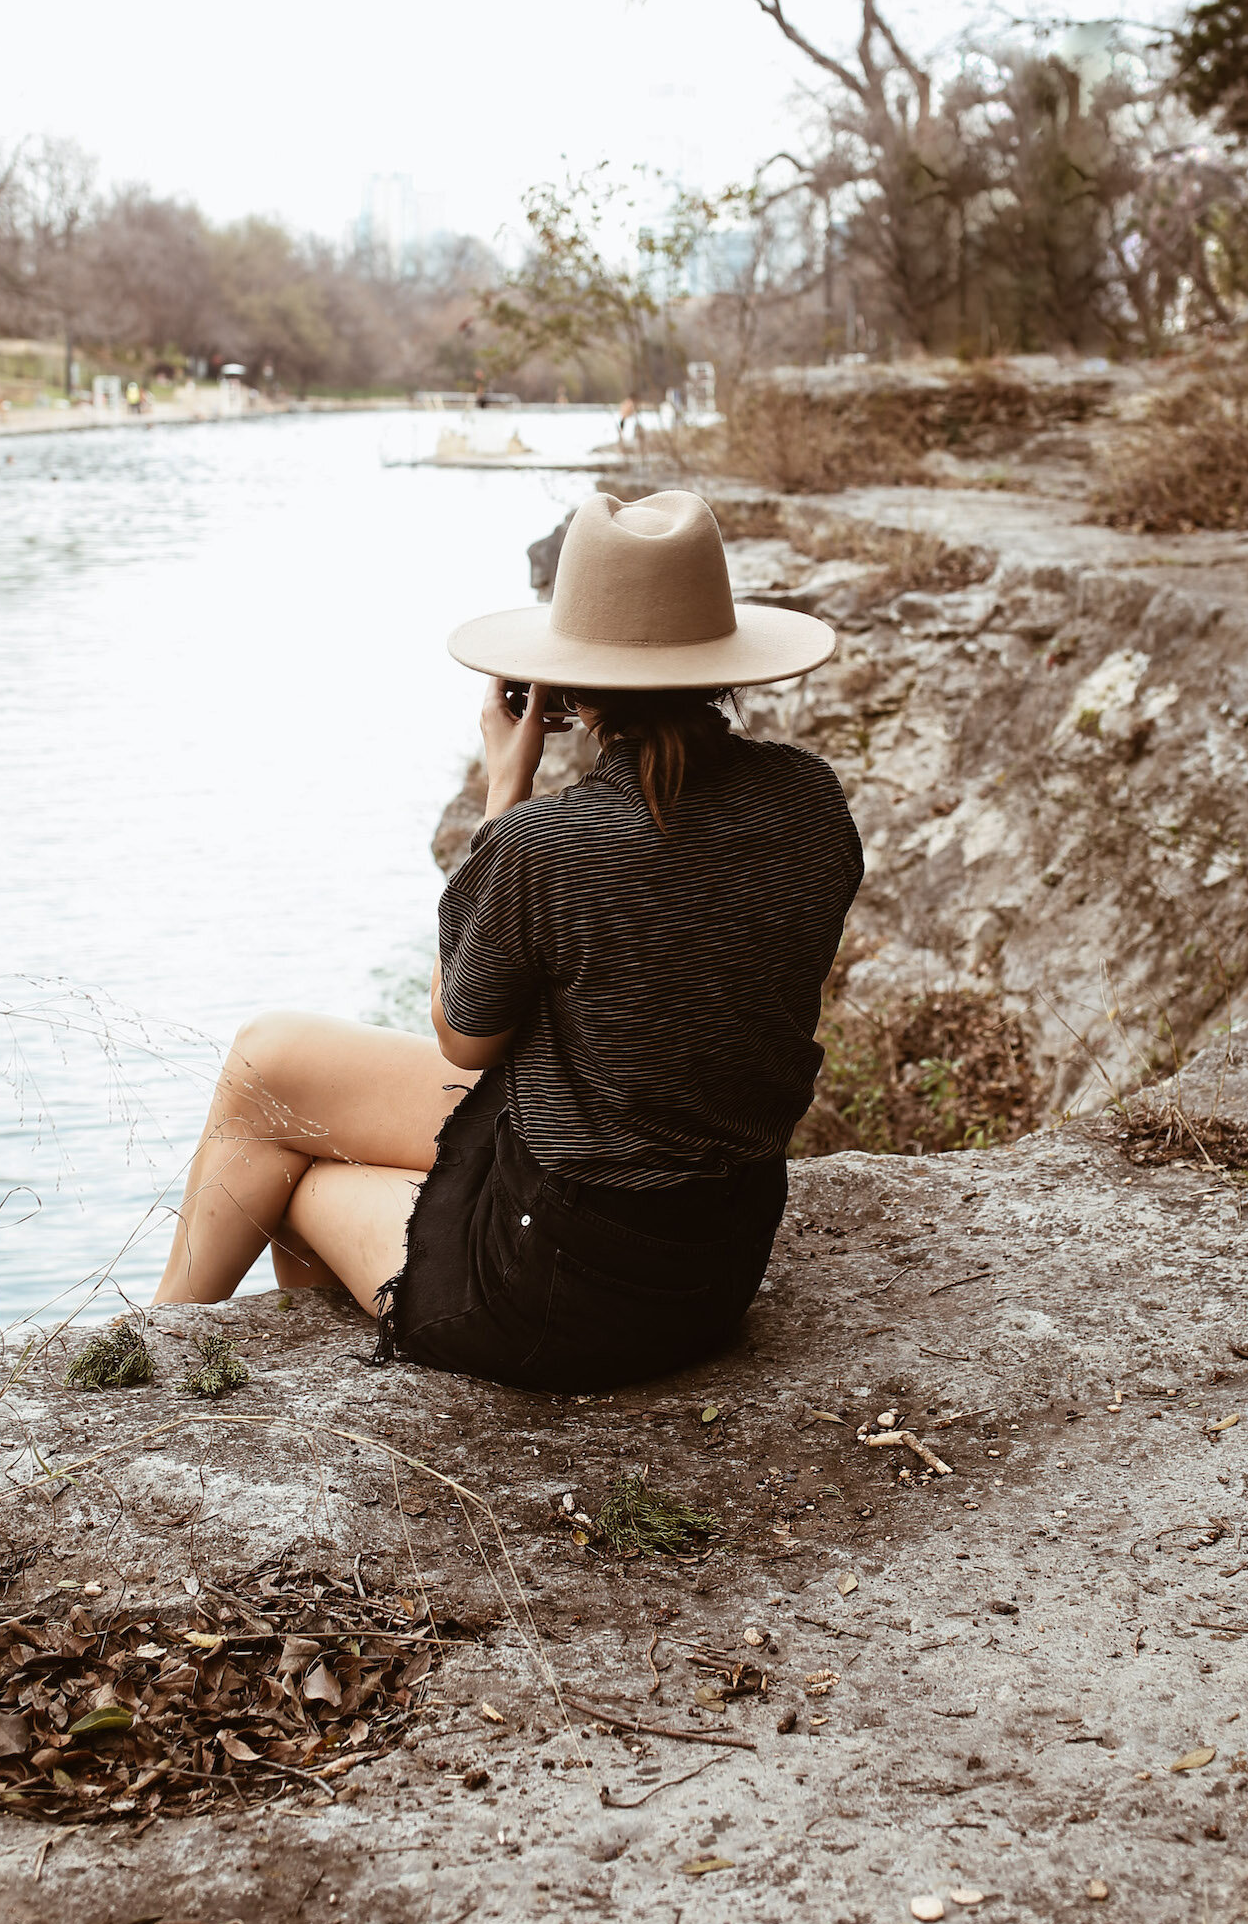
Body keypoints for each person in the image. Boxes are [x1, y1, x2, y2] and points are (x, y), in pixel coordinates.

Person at [151, 491, 862, 1389]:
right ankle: (237, 1348)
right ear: (725, 665)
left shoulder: (548, 845)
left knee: (297, 1180)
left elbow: (466, 1036)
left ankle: (154, 1357)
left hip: (564, 1287)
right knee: (269, 1062)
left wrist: (503, 793)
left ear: (564, 685)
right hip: (719, 1258)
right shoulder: (813, 799)